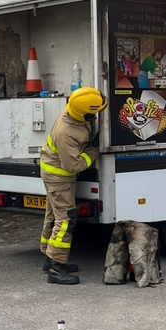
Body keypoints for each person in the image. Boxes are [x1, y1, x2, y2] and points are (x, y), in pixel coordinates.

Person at [39, 87, 107, 284]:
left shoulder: (74, 108)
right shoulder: (66, 132)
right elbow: (73, 165)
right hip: (59, 177)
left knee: (53, 215)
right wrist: (93, 151)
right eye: (94, 112)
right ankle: (56, 268)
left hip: (54, 173)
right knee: (66, 219)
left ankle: (50, 258)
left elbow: (101, 101)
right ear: (84, 113)